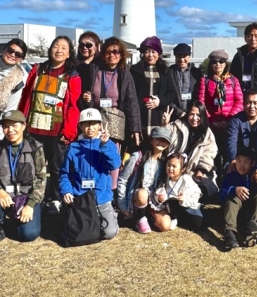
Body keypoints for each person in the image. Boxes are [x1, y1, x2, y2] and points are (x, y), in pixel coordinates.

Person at [18, 36, 81, 213]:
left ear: (69, 53)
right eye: (55, 46)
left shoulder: (72, 76)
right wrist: (21, 122)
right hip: (33, 128)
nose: (59, 50)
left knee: (56, 168)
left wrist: (68, 132)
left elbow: (74, 106)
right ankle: (30, 198)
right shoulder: (38, 70)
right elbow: (26, 96)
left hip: (57, 131)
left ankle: (55, 199)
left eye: (63, 48)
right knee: (32, 166)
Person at [78, 37, 142, 186]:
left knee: (112, 158)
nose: (112, 55)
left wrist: (135, 128)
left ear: (121, 54)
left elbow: (131, 101)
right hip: (94, 119)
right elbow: (84, 94)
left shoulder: (124, 72)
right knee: (92, 157)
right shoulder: (94, 69)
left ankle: (110, 191)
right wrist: (87, 98)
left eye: (116, 52)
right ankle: (92, 190)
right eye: (108, 52)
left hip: (114, 123)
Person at [0, 110, 46, 242]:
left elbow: (41, 179)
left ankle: (22, 218)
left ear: (24, 126)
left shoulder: (35, 148)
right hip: (4, 197)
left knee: (28, 234)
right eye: (5, 127)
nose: (10, 130)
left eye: (14, 126)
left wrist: (30, 204)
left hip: (26, 196)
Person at [59, 108, 121, 241]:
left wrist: (104, 145)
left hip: (102, 199)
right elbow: (64, 174)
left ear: (100, 125)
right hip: (81, 199)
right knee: (77, 233)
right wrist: (66, 191)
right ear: (80, 126)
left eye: (94, 123)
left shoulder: (108, 144)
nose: (90, 127)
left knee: (109, 233)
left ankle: (111, 216)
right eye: (86, 124)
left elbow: (115, 164)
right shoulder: (73, 148)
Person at [116, 126, 171, 234]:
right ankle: (139, 218)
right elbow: (122, 179)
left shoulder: (165, 161)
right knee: (143, 193)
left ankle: (147, 215)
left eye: (165, 140)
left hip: (154, 198)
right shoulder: (137, 157)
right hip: (137, 196)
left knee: (165, 226)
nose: (161, 142)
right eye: (158, 139)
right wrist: (122, 205)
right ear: (151, 140)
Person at [161, 101, 219, 201]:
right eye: (192, 114)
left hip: (195, 173)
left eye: (198, 115)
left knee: (204, 190)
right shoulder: (177, 126)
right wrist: (164, 126)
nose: (195, 118)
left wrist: (200, 173)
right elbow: (163, 141)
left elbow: (209, 154)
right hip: (174, 171)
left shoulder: (207, 133)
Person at [220, 146, 257, 250]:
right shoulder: (231, 173)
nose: (241, 165)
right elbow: (221, 194)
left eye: (245, 162)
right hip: (236, 212)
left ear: (252, 163)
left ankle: (253, 230)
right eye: (239, 161)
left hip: (251, 210)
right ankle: (230, 233)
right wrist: (234, 189)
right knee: (232, 200)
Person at [198, 49, 243, 154]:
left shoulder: (233, 80)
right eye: (214, 62)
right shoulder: (205, 81)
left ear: (225, 64)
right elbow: (201, 101)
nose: (218, 64)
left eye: (221, 61)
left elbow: (239, 101)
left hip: (230, 121)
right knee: (213, 152)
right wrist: (209, 117)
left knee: (229, 151)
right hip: (212, 122)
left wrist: (231, 117)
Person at [226, 90, 257, 178]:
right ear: (244, 104)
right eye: (248, 103)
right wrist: (234, 160)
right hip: (240, 162)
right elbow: (231, 142)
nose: (252, 106)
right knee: (229, 175)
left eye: (255, 103)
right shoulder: (235, 120)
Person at [149, 152, 204, 232]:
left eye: (174, 166)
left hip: (187, 206)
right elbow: (159, 192)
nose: (170, 169)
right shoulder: (165, 179)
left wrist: (184, 198)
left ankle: (181, 219)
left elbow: (196, 195)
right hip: (171, 206)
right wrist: (159, 198)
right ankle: (173, 218)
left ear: (183, 169)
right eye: (168, 165)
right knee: (171, 203)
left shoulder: (186, 180)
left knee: (197, 223)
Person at [130, 36, 168, 136]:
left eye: (153, 52)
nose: (150, 55)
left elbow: (172, 93)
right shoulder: (135, 70)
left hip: (159, 115)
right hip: (141, 114)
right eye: (147, 51)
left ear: (159, 54)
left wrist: (160, 102)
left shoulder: (165, 71)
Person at [159, 42, 202, 121]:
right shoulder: (169, 72)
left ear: (189, 56)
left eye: (184, 56)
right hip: (173, 114)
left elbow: (199, 93)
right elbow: (165, 94)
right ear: (175, 57)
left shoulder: (196, 72)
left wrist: (190, 110)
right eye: (179, 56)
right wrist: (178, 112)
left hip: (192, 114)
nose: (182, 59)